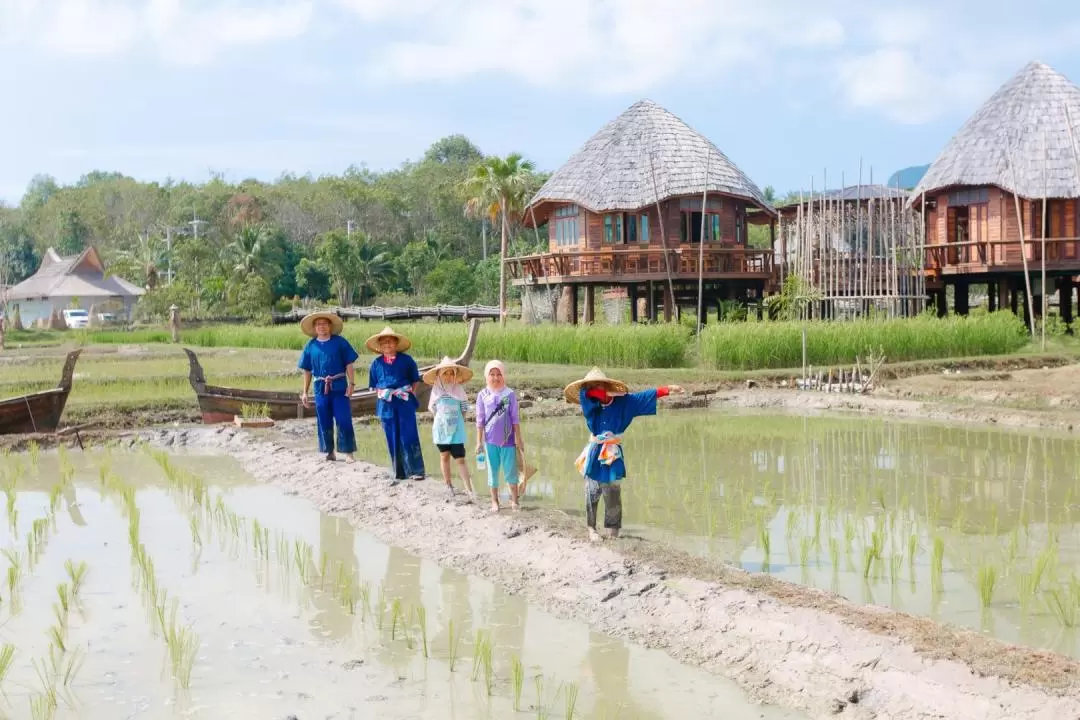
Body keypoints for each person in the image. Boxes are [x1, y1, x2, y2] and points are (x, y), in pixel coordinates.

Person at [563, 367, 683, 542]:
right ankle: (591, 529)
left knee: (612, 490)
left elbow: (645, 396)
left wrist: (667, 389)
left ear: (607, 385)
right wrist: (597, 392)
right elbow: (587, 395)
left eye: (597, 385)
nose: (592, 389)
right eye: (590, 386)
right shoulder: (588, 399)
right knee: (591, 490)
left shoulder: (625, 403)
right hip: (596, 449)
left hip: (612, 451)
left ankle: (613, 531)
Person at [366, 325, 426, 484]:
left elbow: (415, 381)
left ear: (396, 343)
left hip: (404, 402)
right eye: (384, 342)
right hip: (386, 404)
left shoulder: (407, 360)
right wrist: (386, 394)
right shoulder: (376, 364)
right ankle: (399, 471)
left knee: (409, 434)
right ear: (379, 346)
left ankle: (416, 470)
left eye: (390, 342)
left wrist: (404, 393)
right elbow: (374, 386)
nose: (387, 345)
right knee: (391, 436)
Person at [298, 311, 359, 463]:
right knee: (323, 419)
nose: (322, 327)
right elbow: (306, 370)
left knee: (343, 418)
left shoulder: (340, 342)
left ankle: (348, 452)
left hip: (339, 386)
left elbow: (349, 364)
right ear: (314, 327)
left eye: (325, 324)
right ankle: (329, 451)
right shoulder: (310, 346)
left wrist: (351, 383)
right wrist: (305, 392)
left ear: (330, 326)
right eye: (318, 324)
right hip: (320, 388)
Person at [474, 360, 524, 513]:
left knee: (511, 472)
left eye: (499, 374)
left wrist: (519, 438)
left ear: (503, 376)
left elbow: (515, 418)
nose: (495, 378)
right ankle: (494, 501)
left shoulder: (509, 394)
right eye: (492, 374)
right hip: (490, 441)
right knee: (493, 472)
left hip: (508, 441)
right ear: (486, 377)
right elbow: (480, 419)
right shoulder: (482, 395)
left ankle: (515, 500)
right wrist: (478, 442)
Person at [423, 356, 475, 498]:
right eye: (445, 373)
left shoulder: (459, 391)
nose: (448, 376)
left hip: (456, 432)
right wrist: (442, 422)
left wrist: (458, 422)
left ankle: (469, 489)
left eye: (451, 373)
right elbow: (433, 409)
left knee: (460, 459)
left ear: (455, 375)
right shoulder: (436, 392)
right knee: (444, 456)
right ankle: (448, 484)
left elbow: (464, 408)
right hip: (441, 431)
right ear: (439, 375)